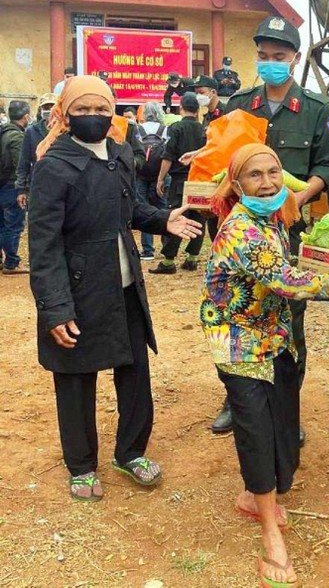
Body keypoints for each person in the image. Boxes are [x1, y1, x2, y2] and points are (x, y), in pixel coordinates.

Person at [203, 143, 329, 586]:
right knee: (257, 430)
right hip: (238, 343)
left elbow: (289, 267)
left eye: (274, 171)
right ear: (237, 186)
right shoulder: (242, 230)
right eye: (255, 176)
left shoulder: (272, 218)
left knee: (282, 427)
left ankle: (253, 495)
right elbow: (288, 280)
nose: (268, 182)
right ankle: (271, 536)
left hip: (274, 336)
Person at [28, 75, 202, 501]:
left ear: (113, 112)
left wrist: (163, 220)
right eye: (82, 110)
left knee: (134, 370)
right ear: (65, 115)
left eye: (100, 109)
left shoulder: (120, 154)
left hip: (123, 285)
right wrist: (55, 308)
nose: (93, 117)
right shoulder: (53, 164)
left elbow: (130, 209)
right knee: (75, 376)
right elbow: (44, 245)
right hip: (78, 288)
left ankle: (131, 452)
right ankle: (82, 465)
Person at [211, 16, 329, 442]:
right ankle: (236, 399)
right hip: (240, 234)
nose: (270, 64)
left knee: (288, 318)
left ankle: (287, 408)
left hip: (287, 233)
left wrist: (298, 199)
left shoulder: (317, 110)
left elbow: (327, 164)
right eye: (263, 57)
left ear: (296, 59)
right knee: (237, 312)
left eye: (279, 57)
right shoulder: (238, 105)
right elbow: (222, 164)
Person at [149, 93, 206, 274]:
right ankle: (192, 259)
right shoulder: (204, 129)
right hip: (199, 181)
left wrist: (160, 179)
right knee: (198, 219)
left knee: (175, 216)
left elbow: (168, 156)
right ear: (197, 110)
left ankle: (168, 261)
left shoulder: (176, 128)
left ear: (181, 108)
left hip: (180, 182)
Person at [136, 102, 170, 260]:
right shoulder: (165, 130)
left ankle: (148, 250)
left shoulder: (138, 129)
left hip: (141, 174)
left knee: (143, 209)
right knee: (163, 209)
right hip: (160, 175)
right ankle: (167, 247)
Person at [0, 100, 30, 274]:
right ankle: (11, 263)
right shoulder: (18, 137)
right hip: (11, 187)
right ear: (26, 117)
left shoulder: (3, 132)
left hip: (2, 184)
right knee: (13, 225)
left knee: (2, 225)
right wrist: (23, 189)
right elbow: (21, 166)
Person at [15, 94, 57, 210]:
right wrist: (21, 189)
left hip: (61, 184)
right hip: (38, 186)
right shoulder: (32, 132)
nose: (49, 111)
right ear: (40, 110)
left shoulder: (65, 131)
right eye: (46, 108)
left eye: (52, 106)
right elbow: (23, 162)